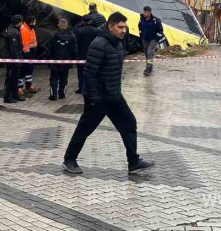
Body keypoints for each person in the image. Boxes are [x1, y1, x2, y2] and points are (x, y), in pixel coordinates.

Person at [63, 12, 156, 175]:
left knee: (129, 123)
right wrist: (93, 98)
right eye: (120, 27)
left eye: (125, 27)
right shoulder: (99, 44)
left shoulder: (118, 43)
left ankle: (133, 162)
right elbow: (89, 73)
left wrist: (116, 92)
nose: (123, 31)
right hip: (98, 98)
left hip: (114, 95)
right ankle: (69, 159)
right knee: (85, 129)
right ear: (110, 26)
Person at [47, 19, 78, 100]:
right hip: (66, 61)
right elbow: (74, 49)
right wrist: (73, 58)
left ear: (58, 25)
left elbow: (48, 47)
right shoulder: (71, 36)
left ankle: (53, 94)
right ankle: (62, 94)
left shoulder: (53, 35)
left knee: (54, 78)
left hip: (54, 60)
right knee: (64, 78)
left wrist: (49, 58)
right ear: (66, 25)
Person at [73, 15, 100, 94]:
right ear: (91, 21)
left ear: (82, 21)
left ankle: (81, 88)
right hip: (93, 55)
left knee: (81, 73)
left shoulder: (78, 31)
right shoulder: (96, 31)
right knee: (93, 73)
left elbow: (76, 44)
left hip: (81, 55)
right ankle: (92, 88)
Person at [3, 15, 26, 103]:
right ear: (19, 22)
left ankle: (15, 95)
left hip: (14, 59)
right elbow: (14, 49)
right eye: (21, 22)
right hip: (12, 60)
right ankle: (7, 97)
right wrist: (17, 60)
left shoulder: (13, 30)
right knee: (10, 78)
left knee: (15, 78)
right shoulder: (13, 32)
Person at [138, 6, 164, 76]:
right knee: (146, 53)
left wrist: (156, 39)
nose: (144, 13)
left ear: (149, 12)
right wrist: (141, 35)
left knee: (149, 52)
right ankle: (150, 66)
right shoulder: (142, 19)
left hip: (153, 39)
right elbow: (139, 27)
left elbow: (160, 31)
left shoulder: (156, 20)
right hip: (145, 39)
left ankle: (148, 69)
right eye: (144, 12)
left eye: (145, 12)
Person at [18, 17, 39, 96]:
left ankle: (29, 85)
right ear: (30, 22)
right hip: (26, 54)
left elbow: (34, 41)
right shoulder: (24, 30)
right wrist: (28, 54)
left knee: (29, 70)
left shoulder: (31, 29)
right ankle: (19, 87)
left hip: (31, 54)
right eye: (34, 22)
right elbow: (24, 45)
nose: (35, 24)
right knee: (22, 70)